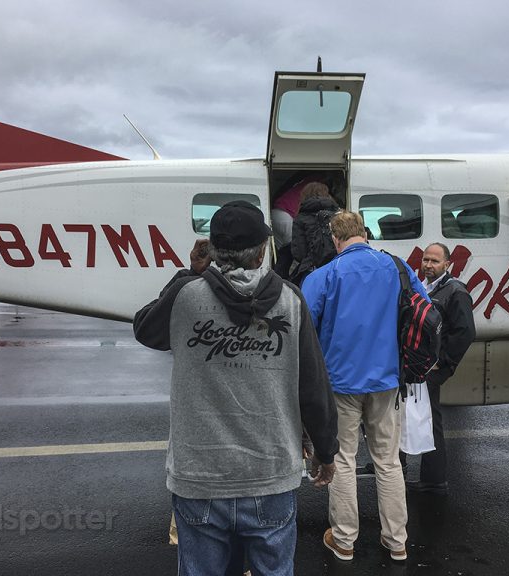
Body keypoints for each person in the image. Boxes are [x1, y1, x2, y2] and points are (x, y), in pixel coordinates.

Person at [133, 200, 338, 576]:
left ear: (210, 249)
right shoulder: (291, 301)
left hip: (198, 476)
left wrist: (188, 273)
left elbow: (146, 329)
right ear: (263, 249)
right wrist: (325, 452)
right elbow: (312, 387)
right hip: (270, 472)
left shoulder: (185, 297)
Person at [300, 211, 427, 563]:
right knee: (388, 462)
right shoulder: (398, 267)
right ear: (365, 233)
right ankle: (396, 540)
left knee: (342, 460)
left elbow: (304, 329)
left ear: (334, 237)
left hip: (339, 383)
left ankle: (343, 540)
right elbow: (424, 310)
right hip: (387, 379)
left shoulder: (324, 275)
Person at [405, 242, 476, 495]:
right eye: (425, 260)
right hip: (417, 365)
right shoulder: (423, 287)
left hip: (431, 369)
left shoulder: (455, 291)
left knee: (431, 420)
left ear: (448, 264)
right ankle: (411, 471)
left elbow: (465, 332)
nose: (428, 265)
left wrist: (444, 364)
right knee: (416, 418)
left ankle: (434, 480)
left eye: (435, 261)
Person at [289, 182, 339, 285]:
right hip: (336, 268)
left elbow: (299, 252)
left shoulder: (301, 217)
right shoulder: (338, 215)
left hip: (311, 270)